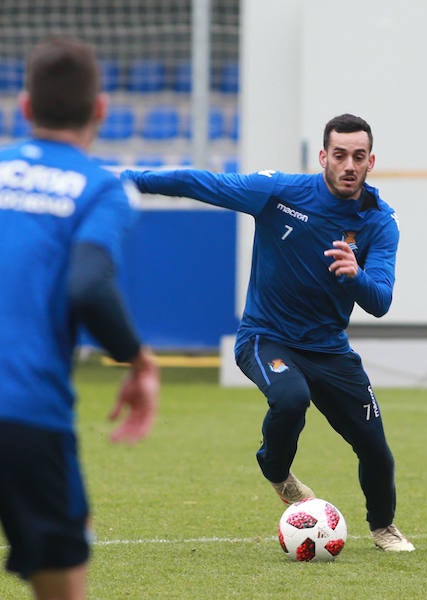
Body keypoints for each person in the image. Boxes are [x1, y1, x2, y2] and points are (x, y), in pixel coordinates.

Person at [120, 113, 414, 552]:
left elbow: (380, 301)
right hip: (265, 337)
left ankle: (383, 528)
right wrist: (129, 179)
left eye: (358, 156)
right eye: (339, 155)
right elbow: (200, 183)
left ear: (371, 160)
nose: (349, 164)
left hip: (329, 351)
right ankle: (276, 470)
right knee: (291, 397)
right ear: (323, 157)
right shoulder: (281, 191)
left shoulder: (379, 222)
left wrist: (355, 277)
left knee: (375, 446)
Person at [0, 37, 160, 600]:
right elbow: (88, 285)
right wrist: (138, 359)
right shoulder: (100, 190)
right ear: (100, 110)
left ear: (23, 108)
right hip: (22, 415)